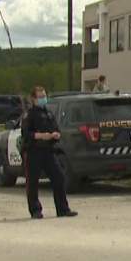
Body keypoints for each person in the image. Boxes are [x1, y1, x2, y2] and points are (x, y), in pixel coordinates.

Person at [21, 86, 78, 219]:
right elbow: (26, 134)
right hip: (33, 151)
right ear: (33, 99)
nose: (43, 99)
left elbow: (56, 128)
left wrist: (56, 134)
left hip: (48, 151)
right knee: (33, 182)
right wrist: (41, 136)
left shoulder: (49, 113)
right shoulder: (29, 115)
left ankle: (62, 209)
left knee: (59, 177)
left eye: (44, 96)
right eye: (40, 97)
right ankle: (35, 210)